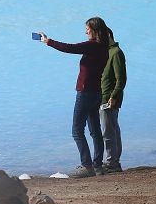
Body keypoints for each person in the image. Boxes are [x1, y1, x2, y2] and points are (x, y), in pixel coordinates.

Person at [39, 17, 109, 178]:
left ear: (95, 30)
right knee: (95, 130)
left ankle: (87, 166)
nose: (85, 31)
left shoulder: (92, 46)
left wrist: (48, 41)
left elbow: (69, 48)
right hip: (97, 92)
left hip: (85, 93)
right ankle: (98, 166)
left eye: (87, 28)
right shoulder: (104, 47)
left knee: (77, 130)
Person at [100, 27, 127, 173]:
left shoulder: (116, 53)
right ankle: (113, 161)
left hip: (109, 98)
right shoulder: (107, 52)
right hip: (105, 97)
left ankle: (112, 163)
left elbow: (121, 78)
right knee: (112, 129)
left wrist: (113, 96)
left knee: (108, 130)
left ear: (107, 35)